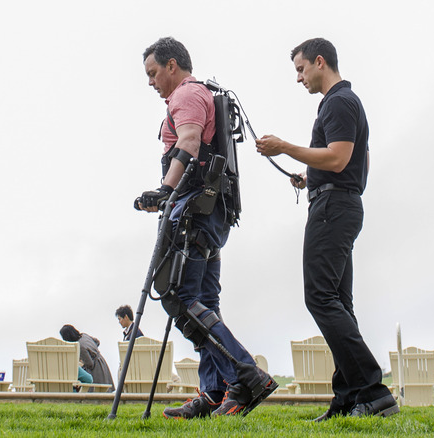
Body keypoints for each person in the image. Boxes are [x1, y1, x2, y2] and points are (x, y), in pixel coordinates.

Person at [255, 38, 400, 420]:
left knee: (319, 297)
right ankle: (350, 397)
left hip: (333, 209)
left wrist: (285, 147)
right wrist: (311, 176)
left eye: (301, 69)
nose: (299, 78)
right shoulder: (345, 103)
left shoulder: (338, 101)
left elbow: (339, 157)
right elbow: (358, 159)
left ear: (321, 62)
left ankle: (372, 389)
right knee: (339, 302)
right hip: (342, 203)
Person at [136, 36, 275, 419]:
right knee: (204, 302)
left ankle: (247, 377)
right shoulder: (198, 94)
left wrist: (165, 191)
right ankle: (214, 392)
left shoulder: (185, 95)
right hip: (209, 211)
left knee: (178, 297)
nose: (150, 82)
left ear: (171, 66)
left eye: (152, 74)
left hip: (195, 213)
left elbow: (190, 141)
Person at [60, 324, 115, 392]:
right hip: (101, 361)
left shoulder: (80, 346)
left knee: (93, 390)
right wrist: (93, 351)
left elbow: (89, 364)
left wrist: (81, 360)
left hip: (95, 368)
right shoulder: (84, 336)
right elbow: (97, 341)